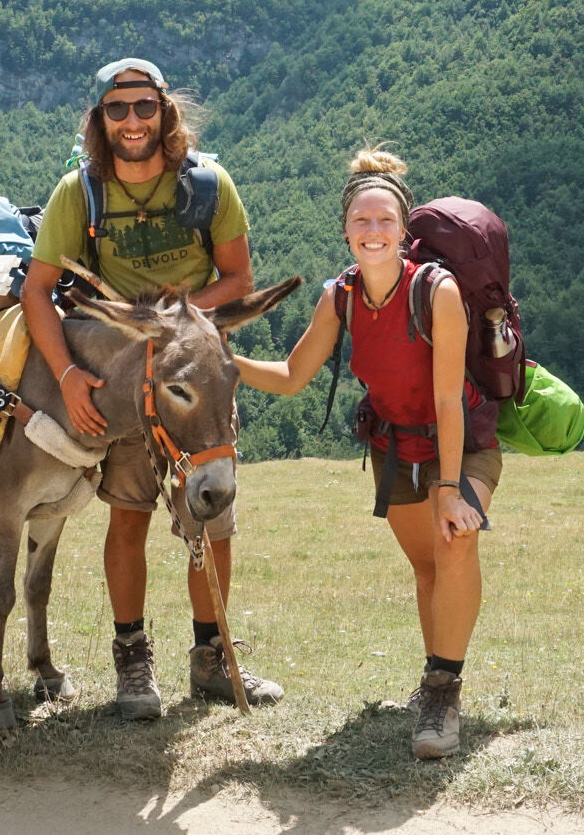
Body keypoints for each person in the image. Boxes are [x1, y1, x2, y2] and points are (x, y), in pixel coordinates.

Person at [20, 57, 284, 718]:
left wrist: (173, 317)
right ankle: (133, 662)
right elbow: (36, 290)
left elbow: (238, 279)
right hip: (129, 384)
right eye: (118, 110)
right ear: (100, 120)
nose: (132, 121)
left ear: (165, 112)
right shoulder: (77, 193)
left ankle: (212, 661)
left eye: (144, 107)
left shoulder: (209, 185)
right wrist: (69, 373)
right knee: (129, 513)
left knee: (212, 515)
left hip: (196, 376)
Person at [234, 149, 500, 759]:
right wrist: (225, 362)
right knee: (426, 567)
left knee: (456, 539)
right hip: (393, 446)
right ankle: (436, 677)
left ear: (404, 231)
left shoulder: (438, 292)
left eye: (385, 221)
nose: (373, 232)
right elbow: (292, 375)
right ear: (346, 230)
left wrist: (452, 486)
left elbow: (449, 401)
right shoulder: (342, 297)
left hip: (460, 444)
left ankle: (442, 693)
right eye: (362, 221)